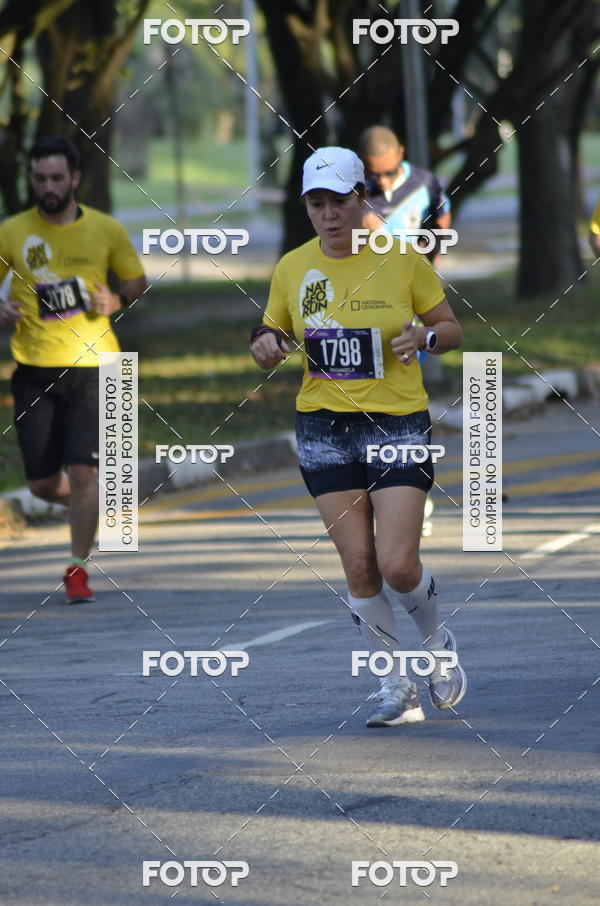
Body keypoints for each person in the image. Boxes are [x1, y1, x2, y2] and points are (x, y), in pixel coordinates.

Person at [250, 146, 467, 726]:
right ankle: (396, 688)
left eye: (339, 202)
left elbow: (451, 329)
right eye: (316, 204)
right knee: (359, 568)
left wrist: (423, 338)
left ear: (360, 199)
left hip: (397, 423)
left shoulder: (400, 259)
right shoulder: (293, 267)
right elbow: (270, 333)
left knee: (398, 564)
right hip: (323, 428)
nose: (329, 214)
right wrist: (266, 346)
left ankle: (436, 645)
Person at [0, 136, 146, 603]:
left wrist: (118, 299)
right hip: (33, 368)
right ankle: (95, 504)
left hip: (95, 366)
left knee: (84, 472)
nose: (48, 186)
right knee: (43, 484)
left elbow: (137, 280)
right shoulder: (12, 231)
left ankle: (77, 568)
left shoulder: (105, 230)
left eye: (57, 178)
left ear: (75, 179)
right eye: (40, 178)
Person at [358, 125, 451, 254]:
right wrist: (367, 234)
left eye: (390, 173)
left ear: (400, 154)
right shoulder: (357, 192)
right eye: (375, 175)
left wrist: (432, 250)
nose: (383, 181)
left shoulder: (425, 183)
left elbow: (443, 215)